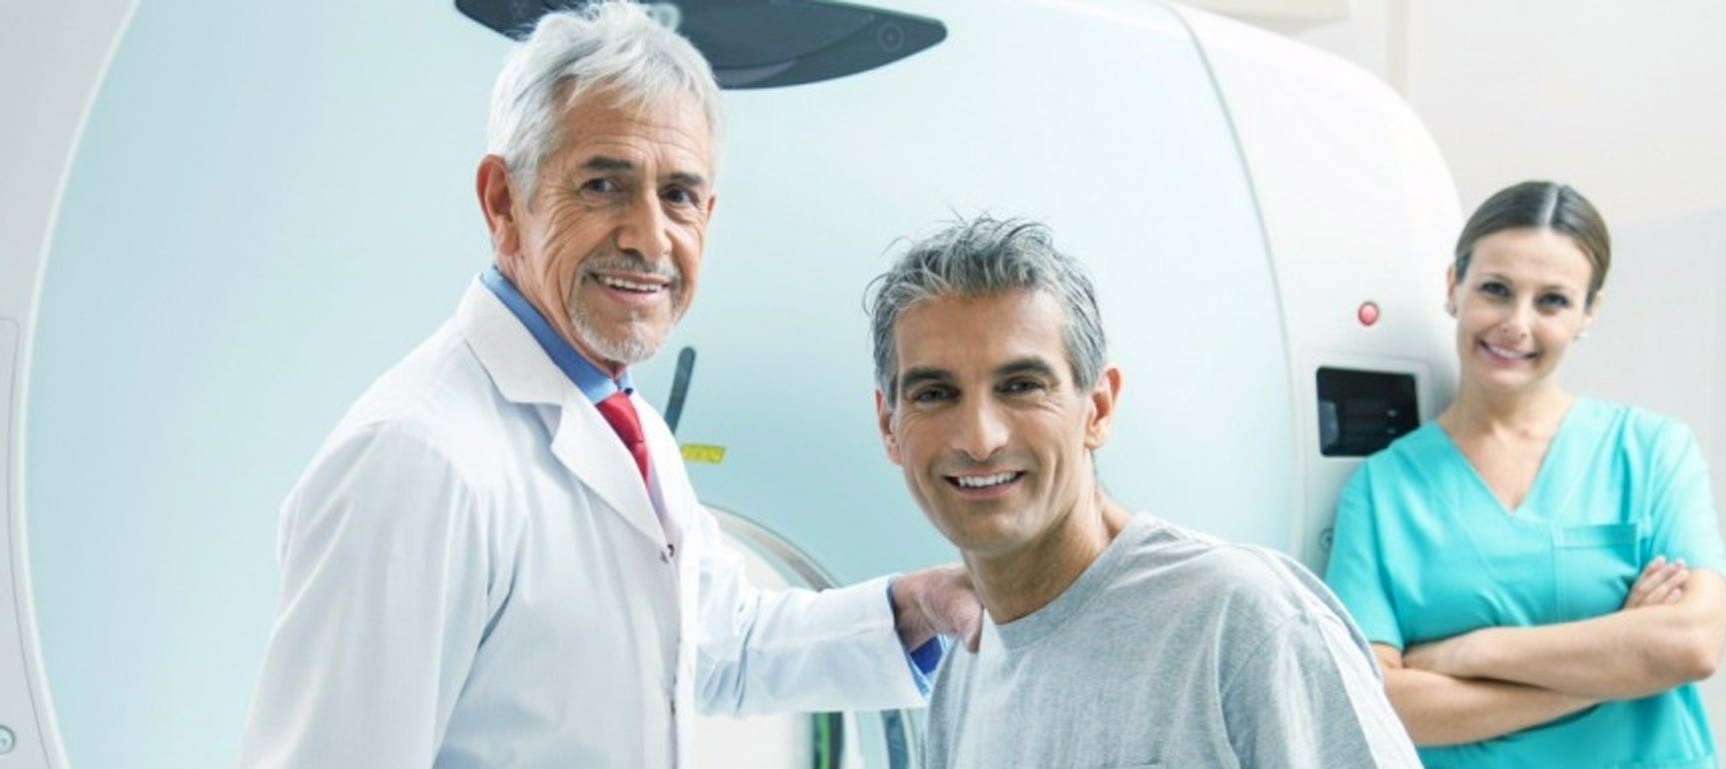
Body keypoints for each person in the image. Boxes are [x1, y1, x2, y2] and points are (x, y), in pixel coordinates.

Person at [236, 3, 978, 767]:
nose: (649, 236)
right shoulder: (417, 459)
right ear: (503, 202)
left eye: (678, 195)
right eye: (603, 184)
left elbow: (720, 641)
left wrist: (919, 605)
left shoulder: (625, 422)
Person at [867, 216, 1421, 768]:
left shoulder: (1243, 622)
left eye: (1021, 386)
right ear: (890, 426)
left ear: (1098, 408)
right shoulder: (959, 685)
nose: (980, 439)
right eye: (934, 394)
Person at [1323, 180, 1726, 767]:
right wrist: (1618, 666)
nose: (1517, 323)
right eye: (1496, 289)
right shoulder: (1382, 491)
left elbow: (1693, 643)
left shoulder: (1650, 452)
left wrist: (1474, 652)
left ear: (1588, 312)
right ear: (1454, 286)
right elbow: (1380, 701)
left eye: (1552, 301)